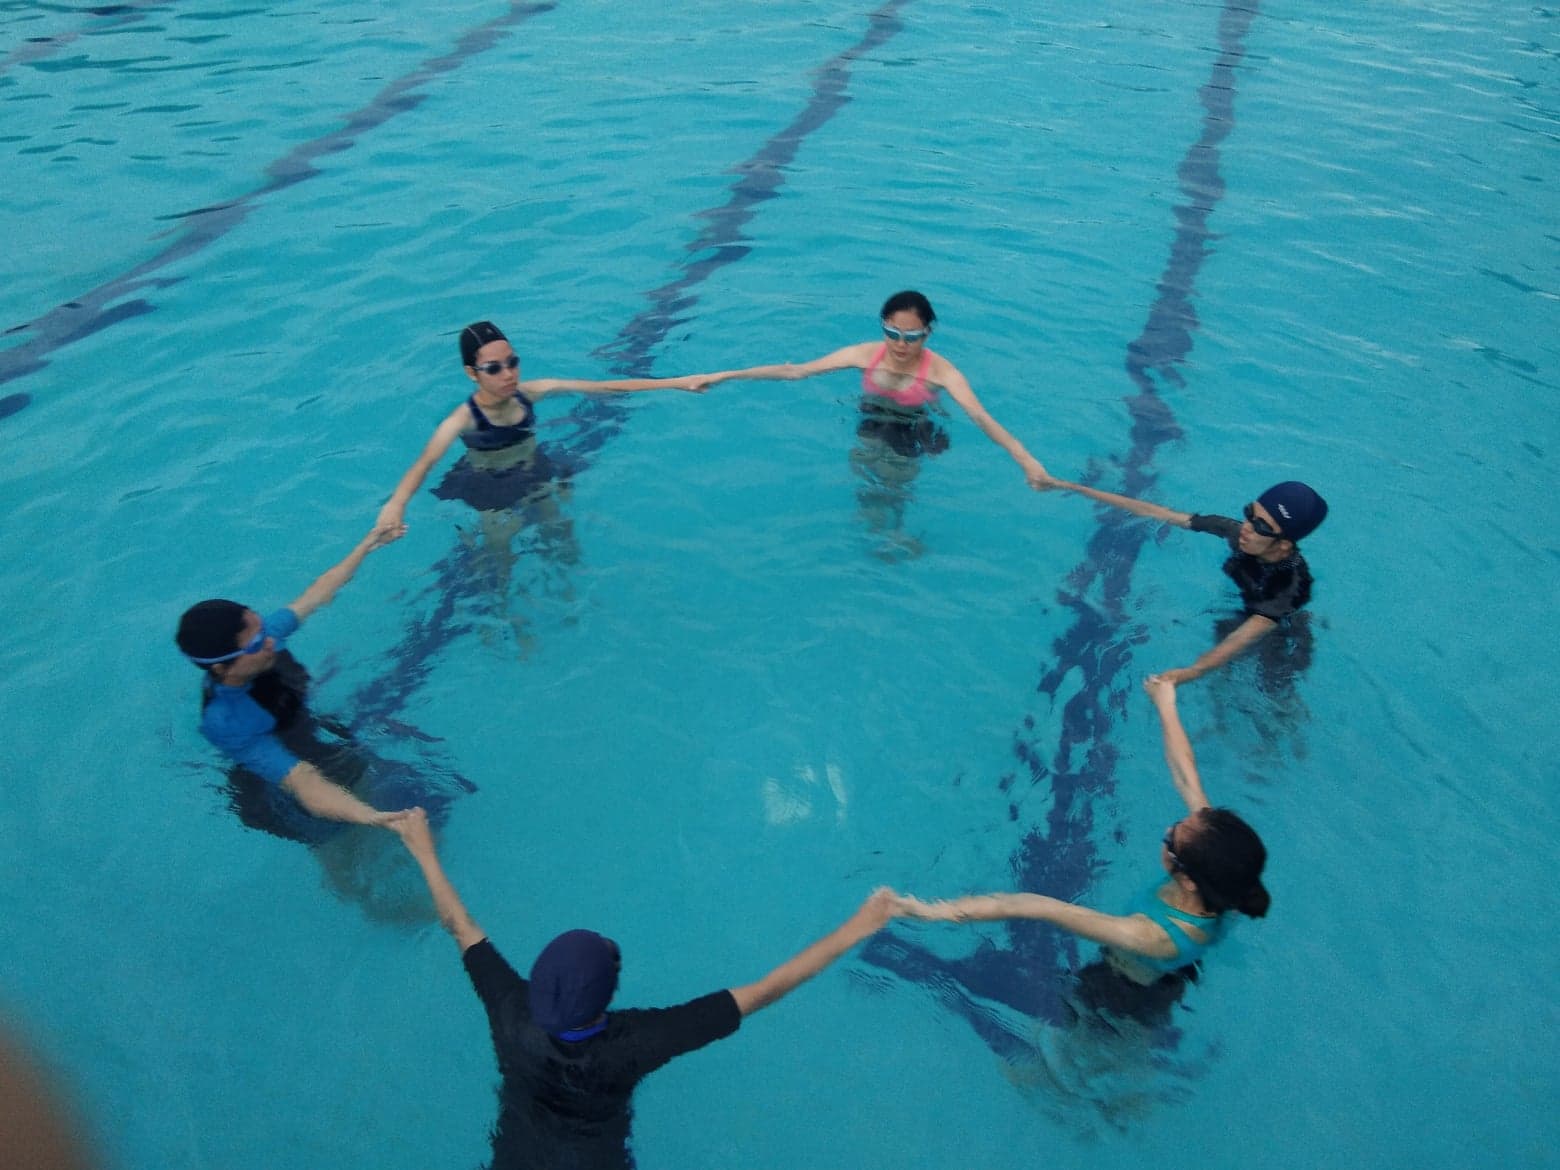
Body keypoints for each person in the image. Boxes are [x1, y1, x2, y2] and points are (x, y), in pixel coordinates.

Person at [392, 808, 893, 1170]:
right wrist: (860, 925)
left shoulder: (509, 1007)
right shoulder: (636, 1042)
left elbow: (460, 926)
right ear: (606, 998)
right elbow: (764, 990)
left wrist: (424, 852)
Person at [887, 674, 1268, 1028]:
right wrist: (1165, 702)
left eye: (1172, 841)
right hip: (1173, 966)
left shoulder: (1150, 935)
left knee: (1043, 1063)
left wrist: (933, 911)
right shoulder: (1226, 872)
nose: (1168, 831)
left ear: (1188, 880)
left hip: (1121, 989)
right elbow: (1186, 775)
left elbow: (1035, 907)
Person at [701, 291, 1048, 552]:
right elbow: (797, 371)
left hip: (912, 426)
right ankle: (875, 530)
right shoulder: (865, 354)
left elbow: (981, 417)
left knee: (894, 482)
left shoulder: (943, 373)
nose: (900, 344)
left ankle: (897, 532)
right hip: (871, 417)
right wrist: (724, 375)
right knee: (865, 474)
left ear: (927, 333)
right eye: (892, 333)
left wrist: (1026, 460)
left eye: (911, 336)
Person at [174, 523, 412, 833]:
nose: (270, 640)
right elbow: (302, 781)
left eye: (262, 628)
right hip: (272, 783)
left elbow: (317, 593)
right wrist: (369, 816)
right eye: (256, 643)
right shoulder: (227, 721)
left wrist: (366, 544)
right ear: (221, 668)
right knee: (345, 839)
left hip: (305, 733)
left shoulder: (265, 638)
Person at [376, 320, 711, 538]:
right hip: (489, 485)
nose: (508, 374)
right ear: (471, 373)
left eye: (512, 362)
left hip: (534, 468)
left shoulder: (532, 392)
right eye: (494, 368)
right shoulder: (462, 419)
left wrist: (677, 382)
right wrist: (396, 504)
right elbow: (424, 464)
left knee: (562, 535)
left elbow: (606, 387)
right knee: (499, 562)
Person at [1040, 476, 1328, 683]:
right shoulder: (1239, 534)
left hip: (1280, 628)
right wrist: (1070, 486)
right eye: (1250, 513)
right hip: (1245, 609)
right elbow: (1157, 513)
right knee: (1223, 642)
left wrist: (1190, 672)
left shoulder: (1291, 586)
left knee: (1272, 687)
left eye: (1262, 526)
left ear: (1284, 545)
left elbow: (1246, 635)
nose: (1247, 527)